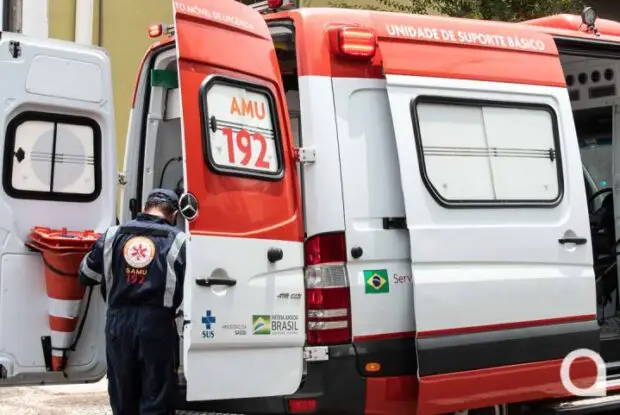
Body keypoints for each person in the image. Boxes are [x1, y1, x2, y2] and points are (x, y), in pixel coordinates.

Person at [78, 188, 187, 415]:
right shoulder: (179, 241)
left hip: (118, 324)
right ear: (174, 214)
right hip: (157, 328)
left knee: (122, 396)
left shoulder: (111, 236)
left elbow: (86, 275)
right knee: (156, 397)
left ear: (143, 209)